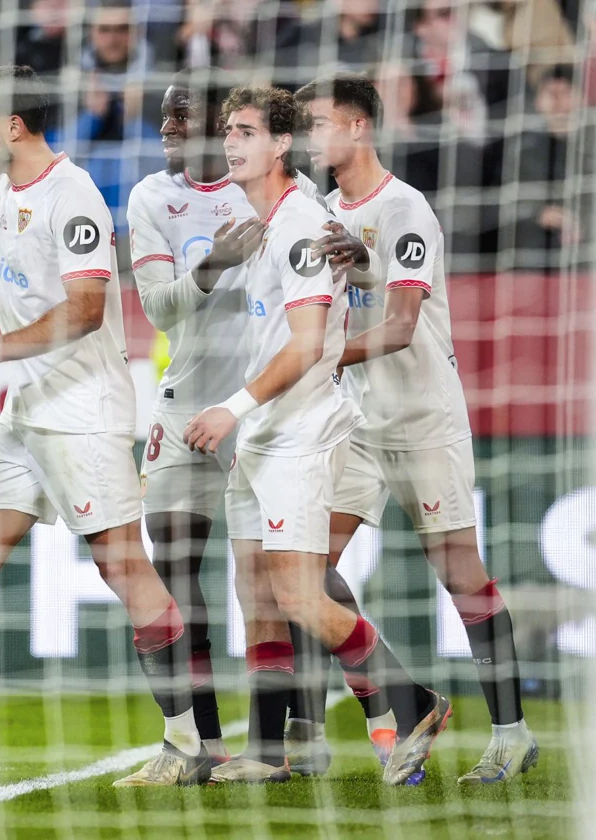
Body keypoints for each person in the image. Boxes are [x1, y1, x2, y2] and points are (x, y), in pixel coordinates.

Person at [0, 64, 210, 787]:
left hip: (83, 410)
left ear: (12, 125)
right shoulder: (5, 190)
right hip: (28, 411)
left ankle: (188, 744)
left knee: (124, 568)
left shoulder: (74, 196)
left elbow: (87, 307)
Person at [183, 86, 449, 786]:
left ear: (279, 146)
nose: (230, 143)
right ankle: (270, 751)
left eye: (245, 131)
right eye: (226, 131)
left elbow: (306, 346)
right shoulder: (271, 222)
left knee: (299, 595)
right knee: (256, 594)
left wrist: (230, 407)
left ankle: (414, 701)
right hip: (261, 433)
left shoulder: (300, 222)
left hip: (300, 433)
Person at [293, 74, 537, 784]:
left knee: (460, 575)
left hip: (425, 418)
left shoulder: (406, 208)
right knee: (305, 567)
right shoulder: (325, 209)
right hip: (359, 424)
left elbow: (400, 328)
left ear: (358, 127)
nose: (312, 136)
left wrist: (324, 355)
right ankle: (403, 706)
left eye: (319, 122)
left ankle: (512, 734)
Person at [124, 70, 322, 772]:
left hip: (264, 411)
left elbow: (329, 287)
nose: (167, 127)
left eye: (181, 115)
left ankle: (300, 732)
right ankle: (203, 743)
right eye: (164, 115)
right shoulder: (152, 196)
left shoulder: (281, 193)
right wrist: (215, 265)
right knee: (175, 573)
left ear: (225, 124)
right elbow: (157, 309)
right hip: (184, 410)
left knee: (287, 584)